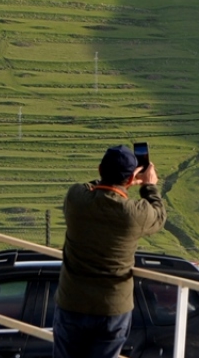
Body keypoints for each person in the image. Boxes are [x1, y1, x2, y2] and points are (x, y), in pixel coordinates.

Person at [52, 145, 167, 358]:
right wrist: (149, 186)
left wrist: (114, 181)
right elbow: (159, 215)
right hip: (112, 308)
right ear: (130, 179)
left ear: (100, 169)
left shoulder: (76, 199)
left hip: (72, 301)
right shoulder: (135, 214)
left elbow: (89, 187)